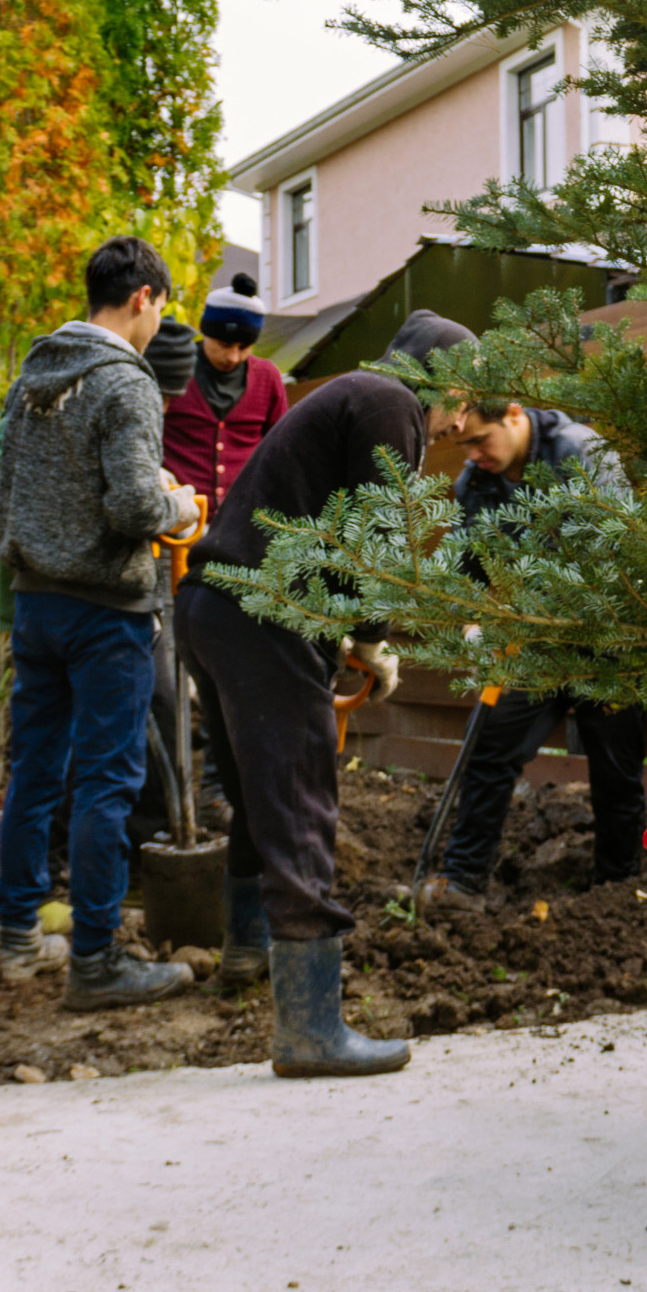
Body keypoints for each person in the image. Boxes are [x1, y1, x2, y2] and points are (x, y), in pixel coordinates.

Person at [175, 308, 474, 1077]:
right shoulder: (389, 403)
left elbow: (324, 531)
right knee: (302, 799)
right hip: (258, 616)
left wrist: (342, 638)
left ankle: (246, 954)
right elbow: (378, 536)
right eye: (461, 400)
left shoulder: (352, 396)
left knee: (256, 793)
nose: (454, 425)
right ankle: (309, 1031)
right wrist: (372, 638)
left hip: (218, 604)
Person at [0, 236, 202, 1012]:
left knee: (35, 772)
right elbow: (134, 509)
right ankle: (95, 962)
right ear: (143, 297)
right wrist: (177, 504)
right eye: (162, 309)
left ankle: (17, 939)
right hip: (105, 613)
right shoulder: (125, 382)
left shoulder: (34, 376)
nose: (159, 326)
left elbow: (9, 487)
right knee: (107, 785)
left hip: (37, 604)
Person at [420, 398, 647, 911]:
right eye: (465, 446)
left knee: (616, 771)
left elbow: (616, 547)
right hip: (533, 648)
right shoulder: (478, 481)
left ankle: (616, 893)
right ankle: (462, 881)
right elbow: (463, 561)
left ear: (515, 416)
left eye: (481, 440)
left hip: (608, 642)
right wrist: (470, 618)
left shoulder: (580, 451)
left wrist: (537, 602)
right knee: (488, 748)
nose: (475, 454)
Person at [162, 271, 288, 511]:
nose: (233, 356)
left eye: (244, 347)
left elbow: (279, 447)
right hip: (179, 519)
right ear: (206, 333)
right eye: (225, 344)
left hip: (242, 518)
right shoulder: (174, 368)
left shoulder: (268, 377)